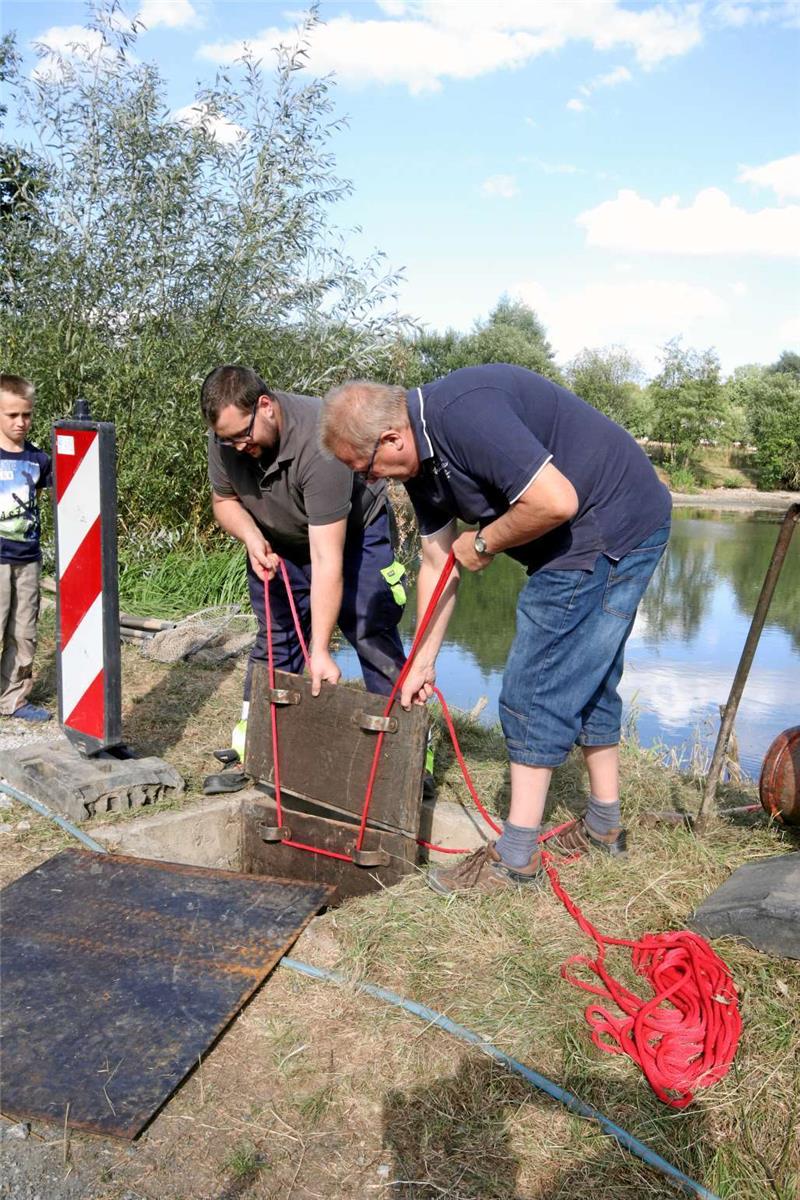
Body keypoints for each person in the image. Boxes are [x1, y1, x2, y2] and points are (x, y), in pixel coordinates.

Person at [320, 363, 671, 895]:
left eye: (367, 469)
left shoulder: (465, 414)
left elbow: (555, 501)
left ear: (391, 437)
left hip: (608, 527)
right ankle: (605, 826)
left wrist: (484, 543)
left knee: (535, 684)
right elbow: (438, 562)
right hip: (602, 526)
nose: (373, 481)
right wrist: (422, 660)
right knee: (589, 678)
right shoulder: (418, 461)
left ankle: (516, 859)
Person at [200, 366, 408, 757]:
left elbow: (327, 560)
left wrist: (321, 651)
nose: (238, 447)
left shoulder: (319, 443)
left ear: (265, 406)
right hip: (280, 536)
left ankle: (406, 748)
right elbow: (224, 501)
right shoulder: (226, 439)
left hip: (353, 535)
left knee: (368, 626)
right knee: (276, 636)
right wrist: (251, 536)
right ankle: (259, 740)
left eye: (243, 435)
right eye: (226, 440)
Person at [0, 374, 52, 722]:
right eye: (12, 415)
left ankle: (12, 699)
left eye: (27, 415)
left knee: (24, 633)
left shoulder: (40, 460)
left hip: (28, 559)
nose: (21, 422)